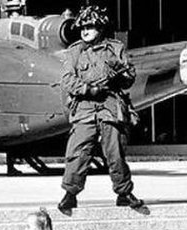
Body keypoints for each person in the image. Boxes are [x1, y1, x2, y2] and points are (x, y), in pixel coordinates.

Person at [58, 5, 144, 216]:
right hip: (85, 108)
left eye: (90, 27)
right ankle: (70, 195)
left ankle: (124, 193)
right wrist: (90, 89)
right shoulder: (74, 51)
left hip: (109, 107)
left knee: (115, 153)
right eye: (82, 28)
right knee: (77, 153)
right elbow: (67, 80)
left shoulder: (116, 48)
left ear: (100, 28)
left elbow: (129, 78)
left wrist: (120, 77)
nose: (85, 31)